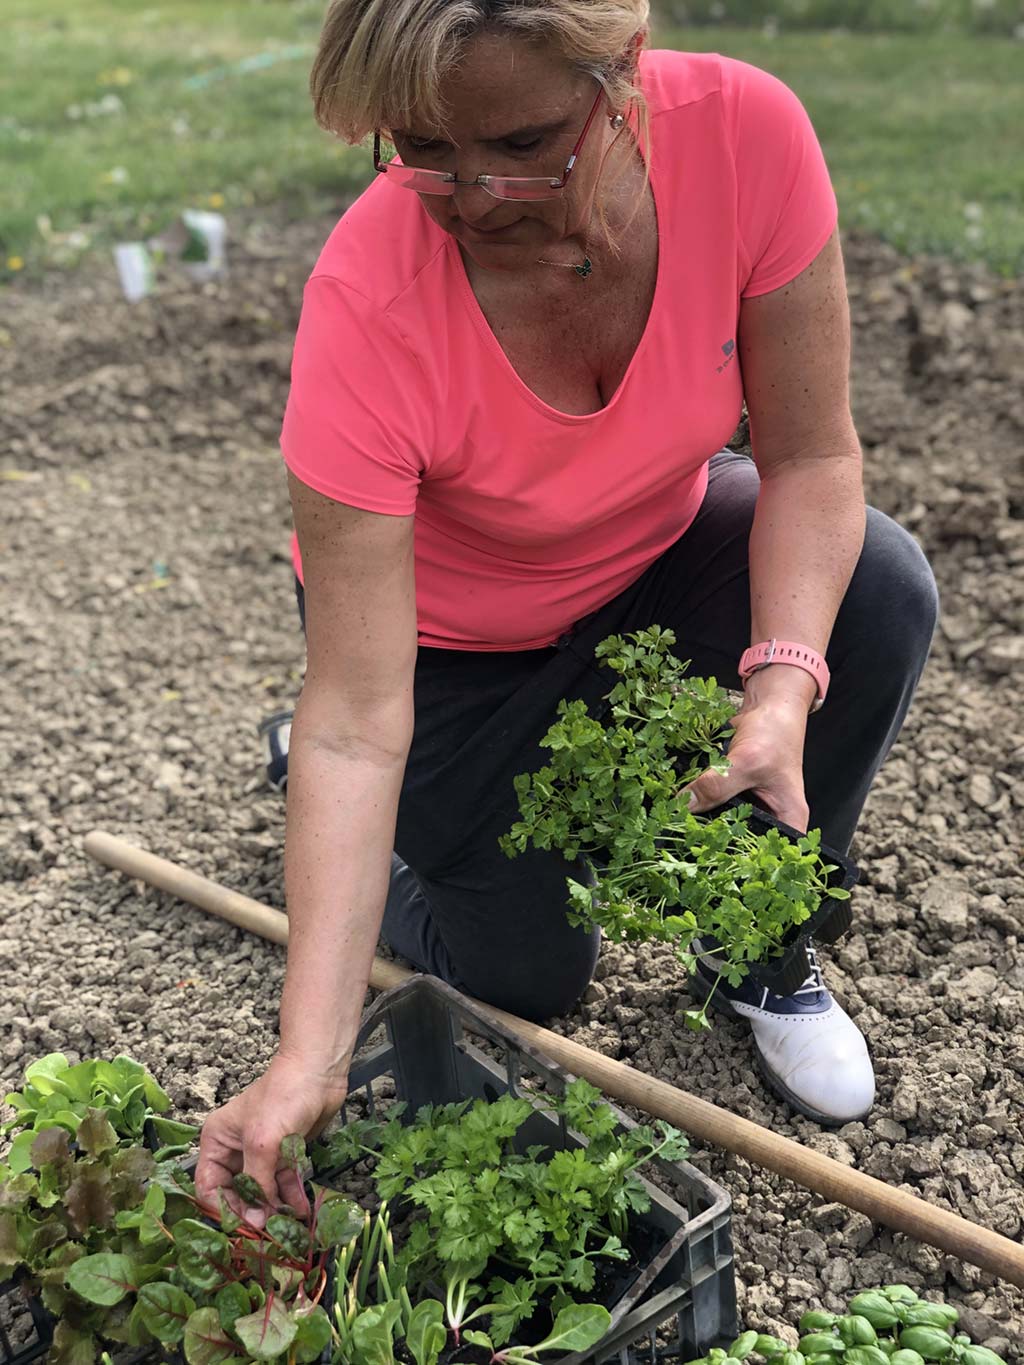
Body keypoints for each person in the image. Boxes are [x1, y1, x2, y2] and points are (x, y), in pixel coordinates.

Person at [196, 0, 938, 1216]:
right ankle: (367, 841)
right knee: (528, 977)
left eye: (526, 142)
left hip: (649, 561)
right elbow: (356, 718)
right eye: (425, 150)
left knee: (880, 584)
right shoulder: (370, 304)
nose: (479, 193)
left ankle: (754, 952)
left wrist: (779, 680)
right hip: (445, 653)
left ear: (623, 73)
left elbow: (809, 460)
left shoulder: (746, 137)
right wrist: (309, 1055)